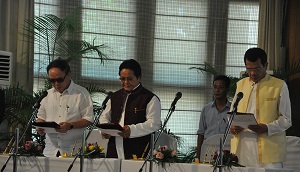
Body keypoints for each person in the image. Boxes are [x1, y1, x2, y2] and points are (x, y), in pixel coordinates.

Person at [230, 48, 292, 168]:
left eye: (257, 69)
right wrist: (232, 126)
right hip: (242, 149)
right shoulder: (241, 85)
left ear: (265, 65)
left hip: (269, 150)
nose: (252, 73)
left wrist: (267, 128)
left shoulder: (279, 85)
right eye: (249, 69)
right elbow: (232, 113)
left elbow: (286, 119)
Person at [99, 59, 161, 159]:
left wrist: (131, 130)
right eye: (122, 79)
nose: (126, 82)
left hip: (137, 148)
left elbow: (154, 123)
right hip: (113, 147)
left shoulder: (150, 98)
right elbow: (104, 116)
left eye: (130, 79)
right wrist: (105, 129)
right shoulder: (114, 96)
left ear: (139, 77)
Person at [36, 59, 94, 157]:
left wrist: (70, 125)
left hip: (73, 151)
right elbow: (41, 117)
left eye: (59, 80)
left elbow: (89, 119)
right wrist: (40, 126)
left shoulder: (81, 93)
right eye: (52, 81)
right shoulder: (47, 95)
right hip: (51, 151)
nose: (56, 84)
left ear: (68, 74)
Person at [196, 75, 231, 160]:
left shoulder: (233, 109)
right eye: (215, 87)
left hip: (227, 151)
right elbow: (201, 133)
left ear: (227, 89)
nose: (217, 90)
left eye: (221, 87)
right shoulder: (206, 109)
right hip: (207, 151)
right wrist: (198, 156)